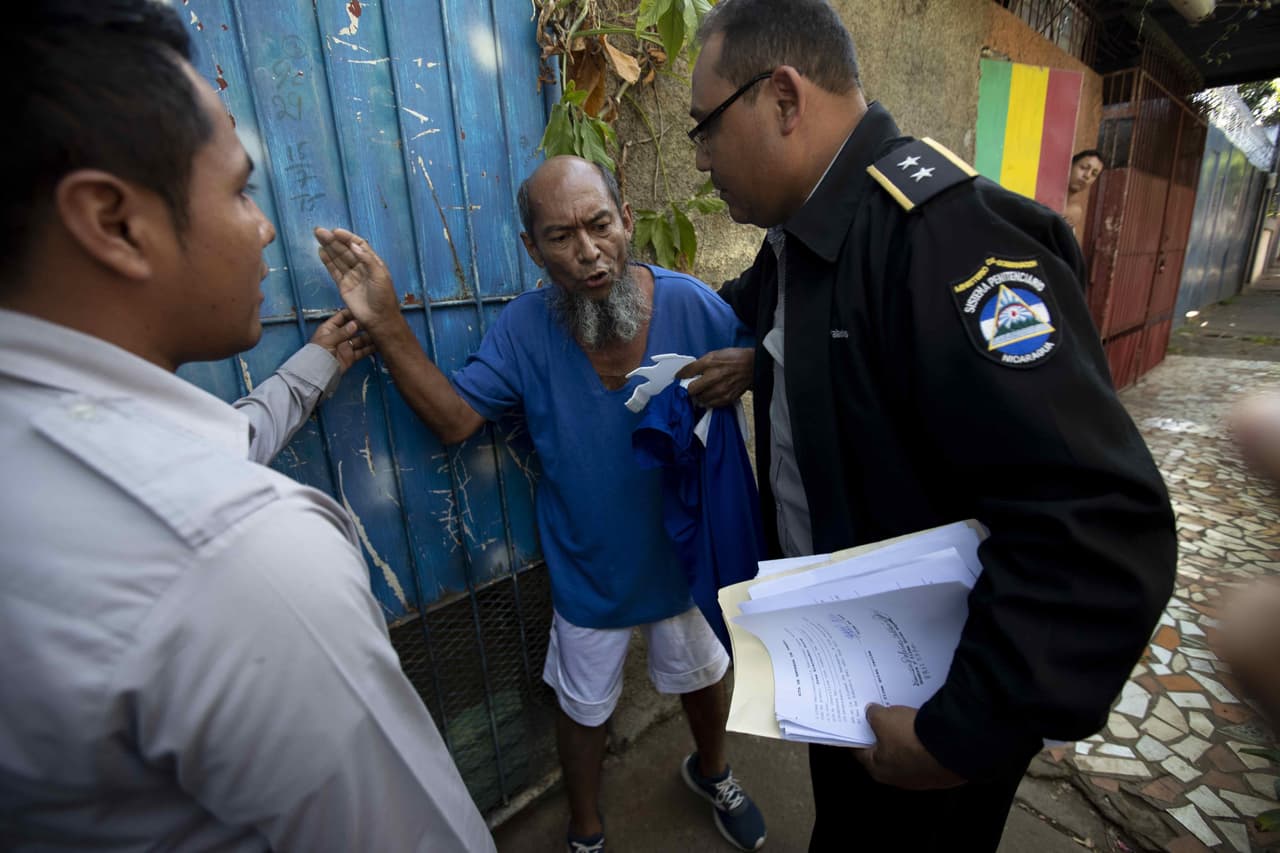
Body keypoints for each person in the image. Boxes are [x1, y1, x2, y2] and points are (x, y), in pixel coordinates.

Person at [679, 1, 1177, 850]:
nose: (700, 160)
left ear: (784, 100)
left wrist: (962, 734)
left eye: (706, 129)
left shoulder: (946, 242)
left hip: (931, 704)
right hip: (847, 674)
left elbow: (1099, 531)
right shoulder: (799, 239)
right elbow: (822, 353)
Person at [0, 3, 495, 850]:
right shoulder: (238, 560)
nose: (264, 226)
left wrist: (320, 361)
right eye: (237, 189)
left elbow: (214, 440)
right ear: (116, 222)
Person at [314, 154, 766, 853]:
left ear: (627, 222)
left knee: (704, 675)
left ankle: (713, 771)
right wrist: (389, 323)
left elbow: (766, 362)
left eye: (600, 225)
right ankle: (584, 827)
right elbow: (458, 419)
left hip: (686, 558)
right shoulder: (525, 329)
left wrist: (751, 370)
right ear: (532, 248)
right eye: (560, 236)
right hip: (589, 573)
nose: (588, 251)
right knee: (582, 706)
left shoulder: (693, 306)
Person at [1064, 149, 1105, 243]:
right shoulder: (1041, 188)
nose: (1087, 176)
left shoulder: (1075, 211)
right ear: (1070, 165)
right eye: (1084, 167)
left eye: (1094, 174)